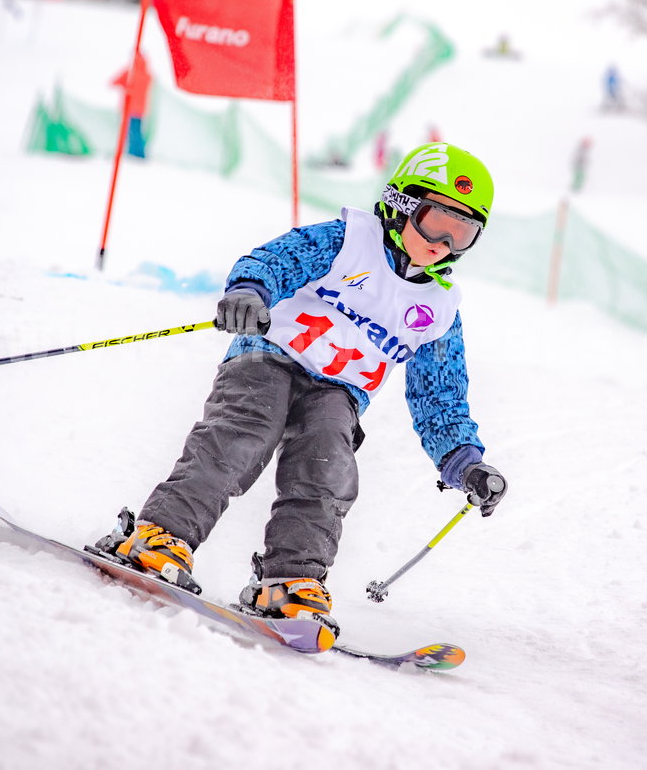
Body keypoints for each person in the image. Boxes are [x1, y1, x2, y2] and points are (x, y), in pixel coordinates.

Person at [103, 141, 509, 639]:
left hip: (337, 393)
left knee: (326, 467)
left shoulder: (438, 311)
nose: (442, 243)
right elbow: (279, 259)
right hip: (269, 355)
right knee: (243, 433)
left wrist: (464, 461)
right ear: (402, 204)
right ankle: (160, 536)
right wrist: (250, 291)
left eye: (462, 233)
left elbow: (440, 397)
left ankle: (290, 581)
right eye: (435, 221)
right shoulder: (349, 242)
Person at [110, 51, 152, 158]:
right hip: (140, 110)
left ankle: (134, 153)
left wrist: (127, 84)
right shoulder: (147, 75)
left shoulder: (130, 73)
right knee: (136, 132)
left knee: (130, 133)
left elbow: (113, 82)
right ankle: (139, 153)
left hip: (129, 108)